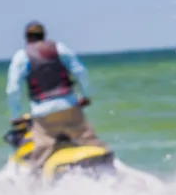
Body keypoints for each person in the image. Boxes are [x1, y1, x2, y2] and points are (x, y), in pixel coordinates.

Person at [7, 21, 105, 170]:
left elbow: (13, 89)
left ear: (27, 38)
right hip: (70, 108)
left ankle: (35, 187)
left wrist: (15, 115)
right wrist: (85, 96)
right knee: (95, 145)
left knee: (39, 156)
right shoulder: (60, 49)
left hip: (43, 115)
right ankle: (110, 170)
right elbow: (80, 72)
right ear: (44, 36)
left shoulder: (21, 56)